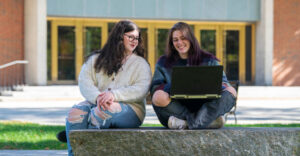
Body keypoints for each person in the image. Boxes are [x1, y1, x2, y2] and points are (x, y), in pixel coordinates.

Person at [65, 20, 152, 156]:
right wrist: (98, 97)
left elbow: (141, 89)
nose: (134, 41)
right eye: (130, 37)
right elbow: (84, 82)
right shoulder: (96, 59)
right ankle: (74, 154)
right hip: (98, 102)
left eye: (137, 38)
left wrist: (114, 95)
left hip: (132, 109)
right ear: (119, 36)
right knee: (75, 113)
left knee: (100, 113)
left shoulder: (141, 64)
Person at [150, 22, 237, 130]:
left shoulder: (209, 59)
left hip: (204, 106)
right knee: (158, 96)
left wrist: (211, 85)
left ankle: (186, 123)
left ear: (190, 38)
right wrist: (176, 86)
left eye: (183, 38)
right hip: (177, 107)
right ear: (171, 43)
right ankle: (207, 122)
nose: (179, 42)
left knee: (231, 91)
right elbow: (155, 88)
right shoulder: (164, 62)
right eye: (175, 40)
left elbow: (224, 83)